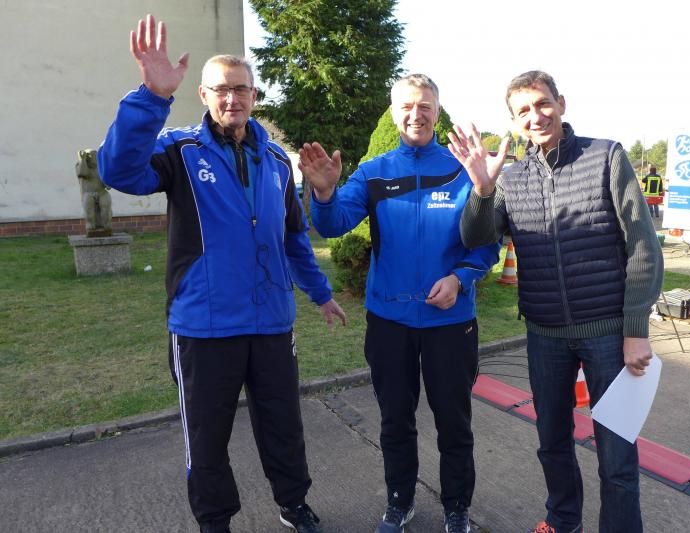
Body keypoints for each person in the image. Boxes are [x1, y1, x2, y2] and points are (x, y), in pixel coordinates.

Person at [97, 15, 346, 533]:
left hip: (271, 321)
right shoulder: (179, 150)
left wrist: (320, 294)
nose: (232, 99)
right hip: (204, 325)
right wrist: (151, 97)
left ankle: (293, 504)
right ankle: (215, 521)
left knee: (283, 426)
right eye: (221, 90)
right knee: (207, 437)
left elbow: (293, 238)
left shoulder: (276, 160)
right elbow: (117, 171)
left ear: (254, 95)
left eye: (241, 89)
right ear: (204, 95)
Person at [450, 70, 663, 533]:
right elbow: (477, 238)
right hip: (544, 336)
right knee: (552, 443)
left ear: (561, 104)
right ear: (514, 122)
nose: (536, 116)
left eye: (543, 103)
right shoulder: (510, 179)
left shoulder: (605, 156)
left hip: (609, 334)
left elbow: (643, 246)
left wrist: (635, 330)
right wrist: (482, 190)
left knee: (617, 454)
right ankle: (563, 521)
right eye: (523, 111)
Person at [298, 74, 501, 533]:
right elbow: (334, 224)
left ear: (437, 111)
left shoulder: (463, 170)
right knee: (395, 421)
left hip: (451, 321)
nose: (416, 114)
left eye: (425, 105)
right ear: (393, 113)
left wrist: (460, 279)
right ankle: (399, 501)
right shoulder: (374, 171)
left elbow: (488, 245)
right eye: (407, 106)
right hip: (390, 321)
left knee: (454, 423)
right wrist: (325, 194)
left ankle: (456, 508)